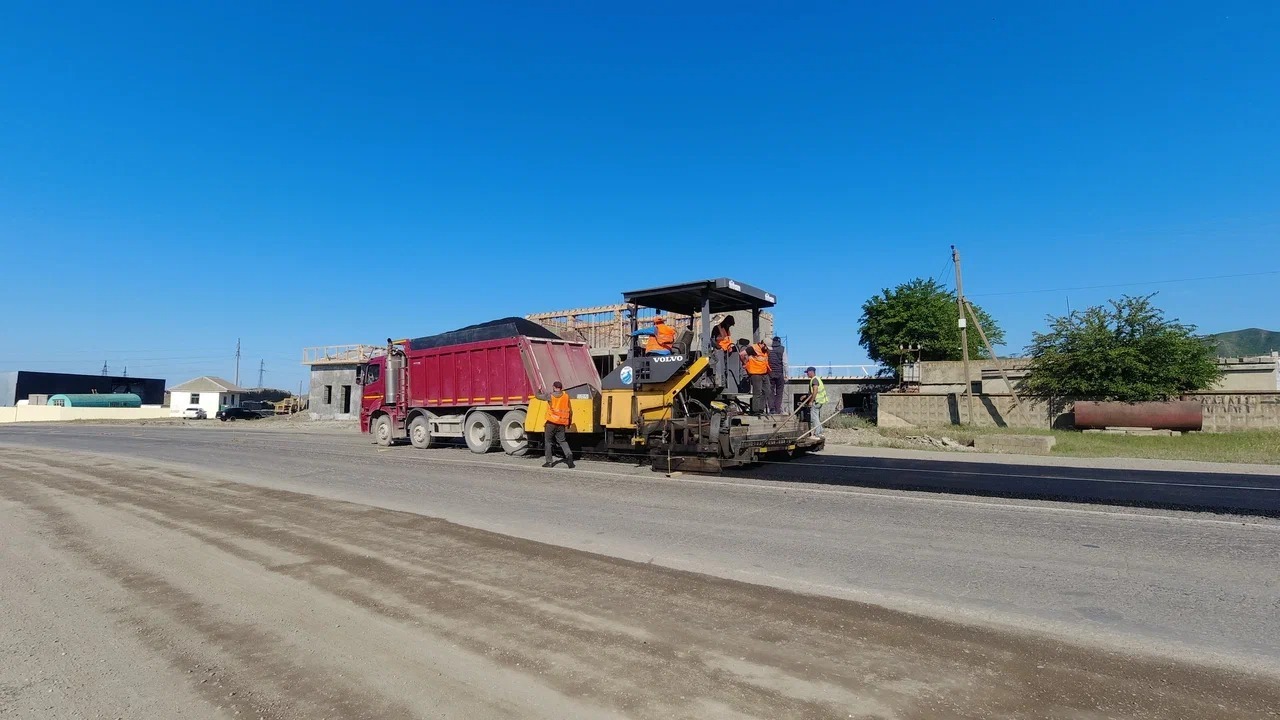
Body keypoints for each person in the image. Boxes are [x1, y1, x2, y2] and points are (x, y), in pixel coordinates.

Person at [542, 381, 575, 468]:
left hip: (551, 423)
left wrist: (538, 390)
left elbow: (538, 396)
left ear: (554, 387)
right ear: (561, 387)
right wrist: (569, 422)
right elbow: (570, 411)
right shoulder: (566, 396)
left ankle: (549, 462)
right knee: (562, 441)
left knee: (548, 442)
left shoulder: (550, 396)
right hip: (561, 423)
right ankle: (569, 455)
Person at [743, 340, 772, 413]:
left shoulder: (765, 351)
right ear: (763, 344)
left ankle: (760, 408)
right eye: (766, 347)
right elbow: (742, 354)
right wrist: (745, 363)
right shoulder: (753, 348)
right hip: (755, 373)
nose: (767, 349)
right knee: (757, 392)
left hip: (764, 373)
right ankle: (755, 410)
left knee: (767, 391)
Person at [802, 366, 829, 437]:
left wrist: (811, 401)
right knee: (816, 417)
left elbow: (815, 391)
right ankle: (820, 431)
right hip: (820, 401)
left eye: (807, 372)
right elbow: (812, 392)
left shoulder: (814, 380)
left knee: (814, 417)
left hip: (816, 401)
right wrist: (805, 396)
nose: (807, 374)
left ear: (811, 372)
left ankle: (817, 433)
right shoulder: (817, 379)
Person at [711, 316, 736, 385]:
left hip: (727, 351)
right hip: (719, 351)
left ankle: (725, 382)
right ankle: (719, 382)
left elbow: (728, 340)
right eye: (729, 324)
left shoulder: (727, 329)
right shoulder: (717, 328)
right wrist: (718, 347)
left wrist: (730, 347)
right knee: (719, 367)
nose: (729, 326)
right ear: (726, 322)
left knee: (725, 368)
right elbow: (713, 339)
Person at [767, 336, 787, 414]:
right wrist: (786, 374)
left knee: (770, 392)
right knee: (779, 392)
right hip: (779, 373)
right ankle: (777, 409)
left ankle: (771, 409)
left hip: (770, 373)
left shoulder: (768, 349)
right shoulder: (782, 349)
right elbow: (785, 363)